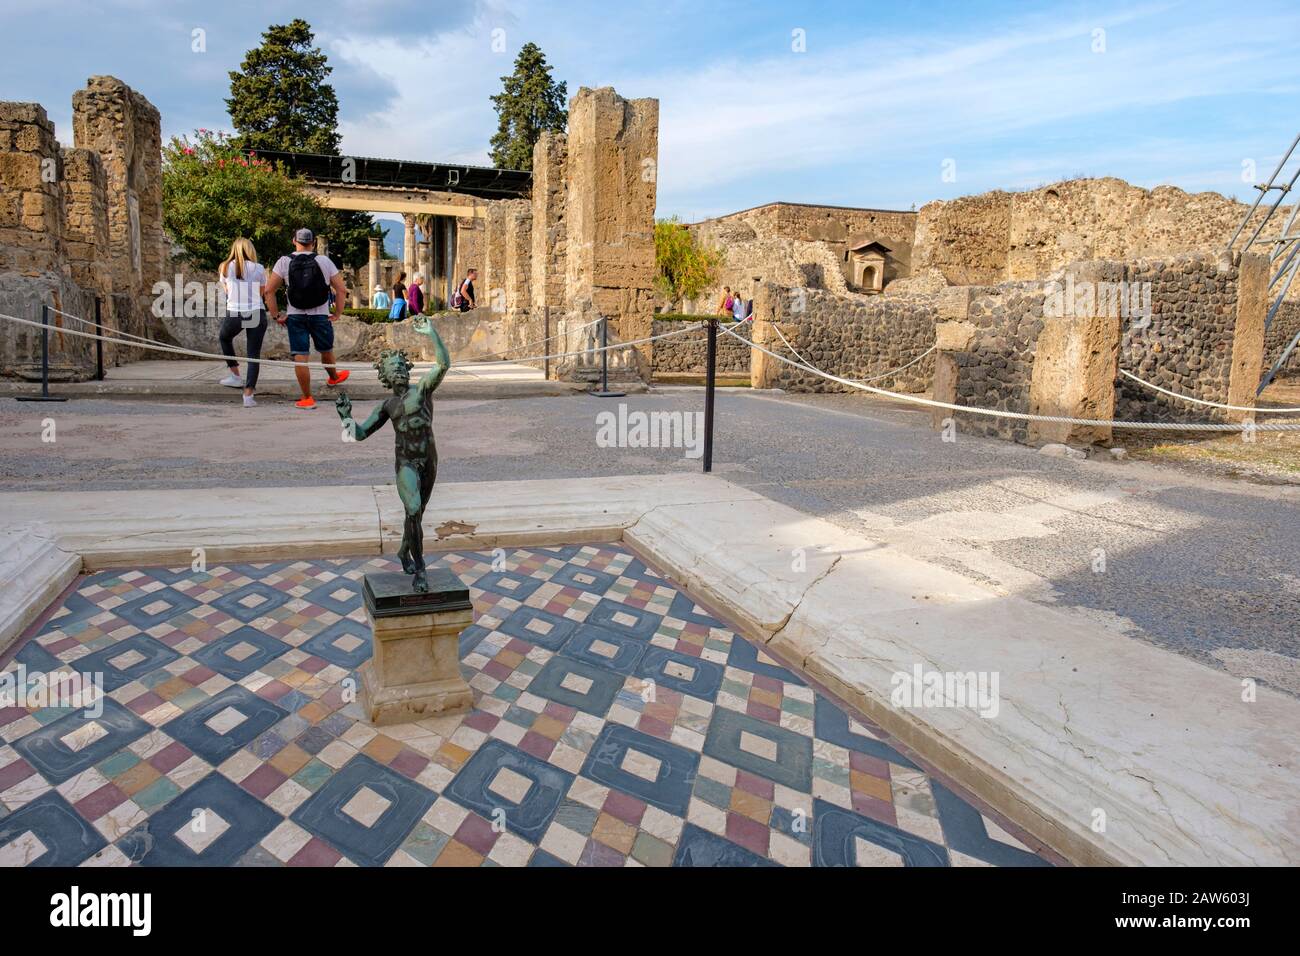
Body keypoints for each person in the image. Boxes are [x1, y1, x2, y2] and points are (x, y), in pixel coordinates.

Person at [335, 315, 450, 591]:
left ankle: (403, 551)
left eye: (401, 365)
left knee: (417, 515)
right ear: (385, 376)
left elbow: (444, 364)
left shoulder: (422, 391)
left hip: (429, 460)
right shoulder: (387, 406)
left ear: (407, 371)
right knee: (412, 509)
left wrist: (432, 332)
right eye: (392, 367)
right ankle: (420, 570)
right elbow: (360, 434)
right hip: (406, 464)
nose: (398, 369)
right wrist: (346, 417)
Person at [262, 227, 350, 409]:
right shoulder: (324, 261)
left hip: (295, 315)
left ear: (294, 241)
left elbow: (269, 291)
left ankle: (307, 398)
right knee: (326, 349)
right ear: (314, 243)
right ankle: (333, 378)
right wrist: (337, 313)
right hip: (320, 315)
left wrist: (276, 315)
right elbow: (341, 290)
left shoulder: (284, 262)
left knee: (301, 356)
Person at [217, 237, 268, 408]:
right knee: (253, 355)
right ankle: (248, 396)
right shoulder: (259, 268)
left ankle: (235, 375)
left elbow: (226, 290)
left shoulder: (224, 267)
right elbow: (261, 292)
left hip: (235, 312)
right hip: (255, 311)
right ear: (250, 250)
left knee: (224, 338)